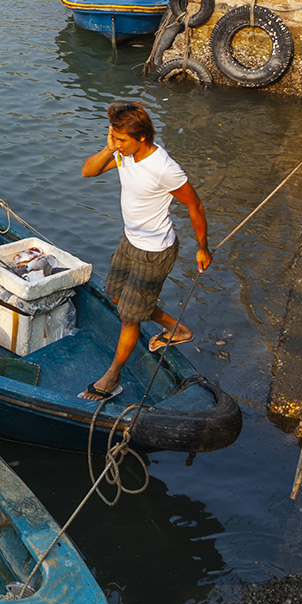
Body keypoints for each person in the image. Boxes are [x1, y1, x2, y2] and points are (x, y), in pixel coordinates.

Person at [79, 101, 211, 401]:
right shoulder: (125, 155)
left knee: (129, 317)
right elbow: (88, 172)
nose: (118, 144)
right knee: (116, 296)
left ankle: (112, 378)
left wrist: (202, 248)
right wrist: (110, 148)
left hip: (155, 251)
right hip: (130, 242)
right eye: (114, 136)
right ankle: (176, 328)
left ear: (142, 137)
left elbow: (195, 205)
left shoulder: (163, 168)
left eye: (121, 139)